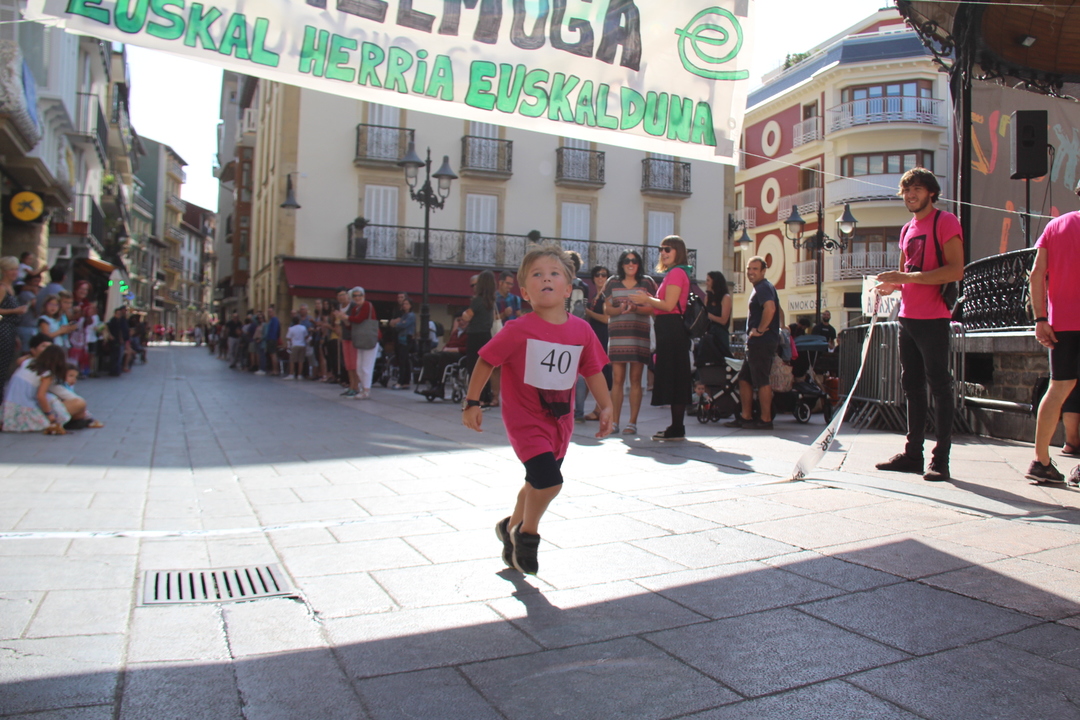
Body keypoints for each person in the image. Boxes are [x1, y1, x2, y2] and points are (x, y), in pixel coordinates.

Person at [462, 247, 612, 575]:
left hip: (561, 422)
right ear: (526, 292)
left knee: (534, 483)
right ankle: (526, 536)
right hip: (525, 421)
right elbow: (486, 360)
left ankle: (508, 528)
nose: (546, 278)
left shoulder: (582, 330)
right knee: (550, 482)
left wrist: (607, 406)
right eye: (537, 274)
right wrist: (472, 402)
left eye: (554, 273)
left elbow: (593, 370)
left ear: (568, 289)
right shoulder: (517, 329)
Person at [874, 167, 965, 482]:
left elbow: (955, 270)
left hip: (934, 317)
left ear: (931, 192)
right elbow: (906, 275)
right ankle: (913, 455)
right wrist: (892, 286)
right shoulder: (906, 229)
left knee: (940, 386)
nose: (910, 195)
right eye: (906, 190)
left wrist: (903, 277)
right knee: (911, 386)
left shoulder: (945, 221)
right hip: (907, 318)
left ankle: (941, 460)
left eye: (917, 189)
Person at [1028, 178, 1080, 484]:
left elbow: (1036, 275)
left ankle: (1041, 461)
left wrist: (1040, 318)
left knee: (1058, 388)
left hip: (1062, 322)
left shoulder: (1055, 226)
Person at [629, 236, 694, 440]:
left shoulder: (676, 273)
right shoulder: (675, 273)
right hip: (670, 328)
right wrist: (641, 305)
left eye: (668, 249)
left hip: (672, 330)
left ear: (678, 251)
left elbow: (668, 305)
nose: (663, 253)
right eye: (661, 249)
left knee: (675, 378)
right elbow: (662, 307)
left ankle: (677, 427)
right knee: (676, 377)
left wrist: (646, 299)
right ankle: (676, 426)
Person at [602, 250, 657, 435]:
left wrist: (635, 308)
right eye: (627, 261)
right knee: (617, 379)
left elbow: (653, 308)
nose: (630, 264)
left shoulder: (647, 282)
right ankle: (615, 422)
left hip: (639, 336)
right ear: (622, 264)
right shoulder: (612, 282)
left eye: (634, 261)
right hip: (618, 336)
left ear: (639, 264)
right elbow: (607, 309)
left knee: (635, 379)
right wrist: (620, 309)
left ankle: (632, 422)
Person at [725, 256, 781, 431]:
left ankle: (765, 419)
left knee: (762, 380)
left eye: (755, 269)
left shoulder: (763, 287)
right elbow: (777, 310)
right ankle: (746, 417)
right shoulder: (762, 288)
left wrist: (761, 330)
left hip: (762, 342)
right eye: (749, 268)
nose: (750, 272)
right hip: (757, 342)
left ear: (763, 271)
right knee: (744, 379)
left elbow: (770, 308)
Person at [1, 344, 72, 432]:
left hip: (9, 404)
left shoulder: (28, 362)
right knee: (46, 423)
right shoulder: (46, 374)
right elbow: (40, 396)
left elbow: (19, 361)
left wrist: (31, 355)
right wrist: (49, 414)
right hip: (24, 407)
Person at [575, 265, 612, 425]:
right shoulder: (595, 295)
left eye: (604, 275)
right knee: (590, 370)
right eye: (597, 275)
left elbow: (606, 318)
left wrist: (587, 312)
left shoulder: (606, 295)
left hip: (603, 334)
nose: (600, 277)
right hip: (594, 334)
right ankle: (583, 408)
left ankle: (599, 409)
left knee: (601, 370)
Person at [462, 270, 498, 406]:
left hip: (475, 336)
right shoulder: (491, 301)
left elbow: (467, 316)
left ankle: (476, 398)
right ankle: (486, 396)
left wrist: (464, 313)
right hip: (487, 336)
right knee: (484, 367)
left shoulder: (477, 301)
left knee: (473, 368)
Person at [0, 257, 30, 397]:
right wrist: (14, 311)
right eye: (11, 269)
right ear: (4, 271)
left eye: (16, 269)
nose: (14, 272)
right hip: (3, 329)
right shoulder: (2, 288)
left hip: (11, 330)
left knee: (5, 367)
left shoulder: (11, 288)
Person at [417, 315, 468, 396]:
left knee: (444, 356)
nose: (461, 322)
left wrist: (453, 349)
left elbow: (468, 349)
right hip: (447, 353)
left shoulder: (470, 333)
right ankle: (433, 383)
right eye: (459, 320)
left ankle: (440, 386)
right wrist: (445, 349)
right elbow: (448, 344)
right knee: (428, 356)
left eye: (463, 320)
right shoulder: (456, 332)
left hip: (460, 355)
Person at [346, 286, 380, 399]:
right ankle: (362, 388)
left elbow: (359, 319)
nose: (357, 297)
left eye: (359, 295)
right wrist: (346, 319)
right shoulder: (355, 309)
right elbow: (352, 324)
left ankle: (366, 390)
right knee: (359, 367)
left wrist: (346, 317)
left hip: (369, 339)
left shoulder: (367, 305)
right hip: (361, 339)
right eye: (355, 296)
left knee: (366, 367)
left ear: (364, 296)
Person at [49, 364, 103, 429]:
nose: (74, 379)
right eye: (70, 376)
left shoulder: (67, 386)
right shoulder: (58, 386)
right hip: (54, 408)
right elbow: (73, 397)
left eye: (76, 377)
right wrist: (89, 418)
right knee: (79, 403)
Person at [700, 270, 733, 364]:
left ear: (715, 282)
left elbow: (723, 320)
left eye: (708, 280)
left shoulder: (725, 298)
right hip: (709, 334)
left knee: (721, 362)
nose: (706, 283)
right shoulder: (707, 297)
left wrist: (708, 315)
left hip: (720, 335)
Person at [388, 297, 416, 389]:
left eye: (407, 304)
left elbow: (403, 325)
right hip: (401, 338)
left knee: (403, 360)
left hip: (406, 338)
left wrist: (396, 323)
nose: (404, 305)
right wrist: (399, 323)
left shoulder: (411, 315)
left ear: (411, 305)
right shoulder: (404, 315)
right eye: (403, 304)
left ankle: (401, 381)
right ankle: (405, 381)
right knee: (404, 360)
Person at [15, 273, 40, 355]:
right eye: (35, 281)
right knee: (26, 352)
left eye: (38, 281)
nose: (37, 284)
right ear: (28, 281)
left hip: (31, 326)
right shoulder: (26, 293)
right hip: (25, 326)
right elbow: (37, 309)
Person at [284, 315, 307, 380]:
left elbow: (289, 338)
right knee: (301, 360)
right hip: (302, 345)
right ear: (299, 321)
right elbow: (306, 336)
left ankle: (291, 374)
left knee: (292, 360)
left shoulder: (291, 329)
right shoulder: (303, 328)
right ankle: (299, 375)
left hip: (295, 345)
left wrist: (290, 344)